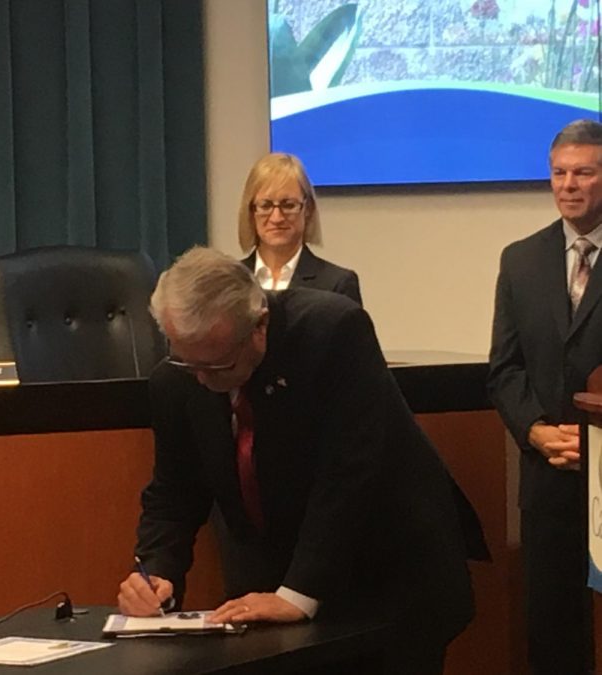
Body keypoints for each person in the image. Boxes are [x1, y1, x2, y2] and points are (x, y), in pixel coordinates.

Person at [117, 246, 481, 674]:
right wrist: (156, 571)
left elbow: (348, 475)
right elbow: (174, 492)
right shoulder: (175, 379)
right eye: (187, 361)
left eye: (218, 365)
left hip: (388, 573)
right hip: (280, 583)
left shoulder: (333, 332)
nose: (201, 379)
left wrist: (297, 594)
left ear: (259, 327)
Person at [487, 118, 602, 674]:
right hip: (548, 478)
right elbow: (505, 368)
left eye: (584, 172)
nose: (569, 185)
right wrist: (533, 429)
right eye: (559, 173)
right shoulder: (520, 259)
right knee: (552, 631)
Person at [238, 152, 361, 304]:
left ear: (308, 209)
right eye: (266, 205)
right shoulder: (228, 283)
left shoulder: (337, 285)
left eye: (288, 205)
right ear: (251, 211)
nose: (277, 218)